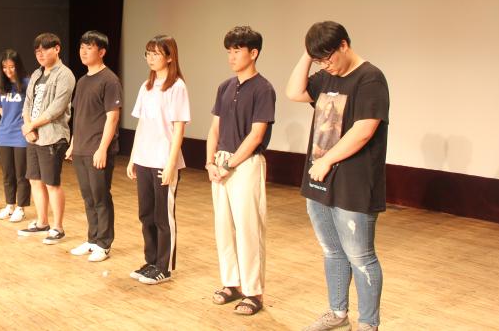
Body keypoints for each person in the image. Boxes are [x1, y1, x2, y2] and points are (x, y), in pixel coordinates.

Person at [286, 21, 390, 331]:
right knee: (332, 251)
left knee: (361, 256)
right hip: (320, 180)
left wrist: (328, 159)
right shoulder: (325, 77)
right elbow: (294, 92)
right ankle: (337, 312)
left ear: (344, 45)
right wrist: (308, 54)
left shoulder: (370, 78)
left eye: (327, 57)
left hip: (354, 183)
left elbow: (364, 130)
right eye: (318, 60)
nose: (325, 65)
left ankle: (368, 323)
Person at [205, 26, 276, 316]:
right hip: (221, 162)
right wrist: (210, 162)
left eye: (237, 50)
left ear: (253, 53)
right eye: (229, 51)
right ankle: (231, 283)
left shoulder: (263, 88)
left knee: (248, 228)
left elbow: (257, 135)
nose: (232, 56)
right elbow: (214, 128)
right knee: (223, 227)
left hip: (245, 163)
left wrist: (230, 164)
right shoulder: (225, 87)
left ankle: (254, 292)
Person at [127, 34, 189, 285]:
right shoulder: (146, 86)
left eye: (156, 53)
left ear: (170, 57)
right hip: (144, 158)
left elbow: (179, 128)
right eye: (148, 53)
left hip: (164, 160)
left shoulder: (177, 87)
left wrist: (171, 164)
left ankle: (164, 267)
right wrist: (133, 158)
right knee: (146, 214)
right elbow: (141, 125)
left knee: (164, 217)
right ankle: (151, 261)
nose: (150, 58)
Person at [67, 31, 122, 263]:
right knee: (88, 197)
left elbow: (113, 117)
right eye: (82, 47)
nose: (83, 51)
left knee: (100, 197)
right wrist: (73, 144)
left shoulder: (109, 80)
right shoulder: (82, 81)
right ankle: (92, 239)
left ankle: (104, 244)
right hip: (81, 148)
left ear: (101, 52)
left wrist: (102, 149)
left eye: (89, 47)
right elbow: (79, 115)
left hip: (98, 149)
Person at [17, 32, 76, 245]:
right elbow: (27, 103)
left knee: (52, 182)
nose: (40, 54)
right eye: (37, 51)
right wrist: (28, 127)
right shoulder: (36, 74)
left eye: (44, 50)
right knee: (34, 179)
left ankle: (58, 227)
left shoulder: (65, 75)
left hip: (52, 136)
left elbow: (56, 108)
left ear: (57, 49)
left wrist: (32, 126)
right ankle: (42, 222)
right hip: (33, 136)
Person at [0, 49, 31, 223]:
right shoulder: (1, 86)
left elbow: (31, 108)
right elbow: (1, 109)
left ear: (18, 66)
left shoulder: (27, 83)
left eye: (12, 67)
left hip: (21, 134)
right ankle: (10, 206)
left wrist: (24, 125)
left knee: (21, 174)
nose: (8, 70)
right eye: (4, 67)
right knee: (8, 174)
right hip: (4, 134)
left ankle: (21, 208)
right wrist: (8, 123)